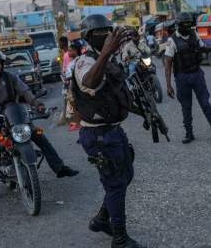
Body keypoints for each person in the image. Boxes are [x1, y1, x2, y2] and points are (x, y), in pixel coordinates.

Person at [73, 14, 146, 248]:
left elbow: (117, 93)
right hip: (98, 135)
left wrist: (144, 113)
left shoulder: (110, 59)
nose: (106, 37)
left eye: (108, 32)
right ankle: (120, 238)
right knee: (115, 183)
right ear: (87, 38)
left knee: (126, 175)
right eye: (100, 33)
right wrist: (106, 52)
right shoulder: (84, 62)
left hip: (113, 130)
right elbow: (91, 83)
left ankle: (102, 219)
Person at [0, 49, 79, 206]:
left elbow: (25, 91)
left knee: (39, 136)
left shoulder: (11, 78)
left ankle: (60, 167)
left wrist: (37, 104)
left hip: (15, 115)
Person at [164, 12, 211, 144]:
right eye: (185, 24)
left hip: (197, 75)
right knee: (186, 107)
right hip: (182, 77)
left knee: (205, 104)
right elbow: (168, 64)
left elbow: (203, 49)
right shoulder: (172, 40)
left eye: (189, 24)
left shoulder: (194, 34)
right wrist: (168, 85)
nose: (187, 26)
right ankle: (189, 133)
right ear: (178, 25)